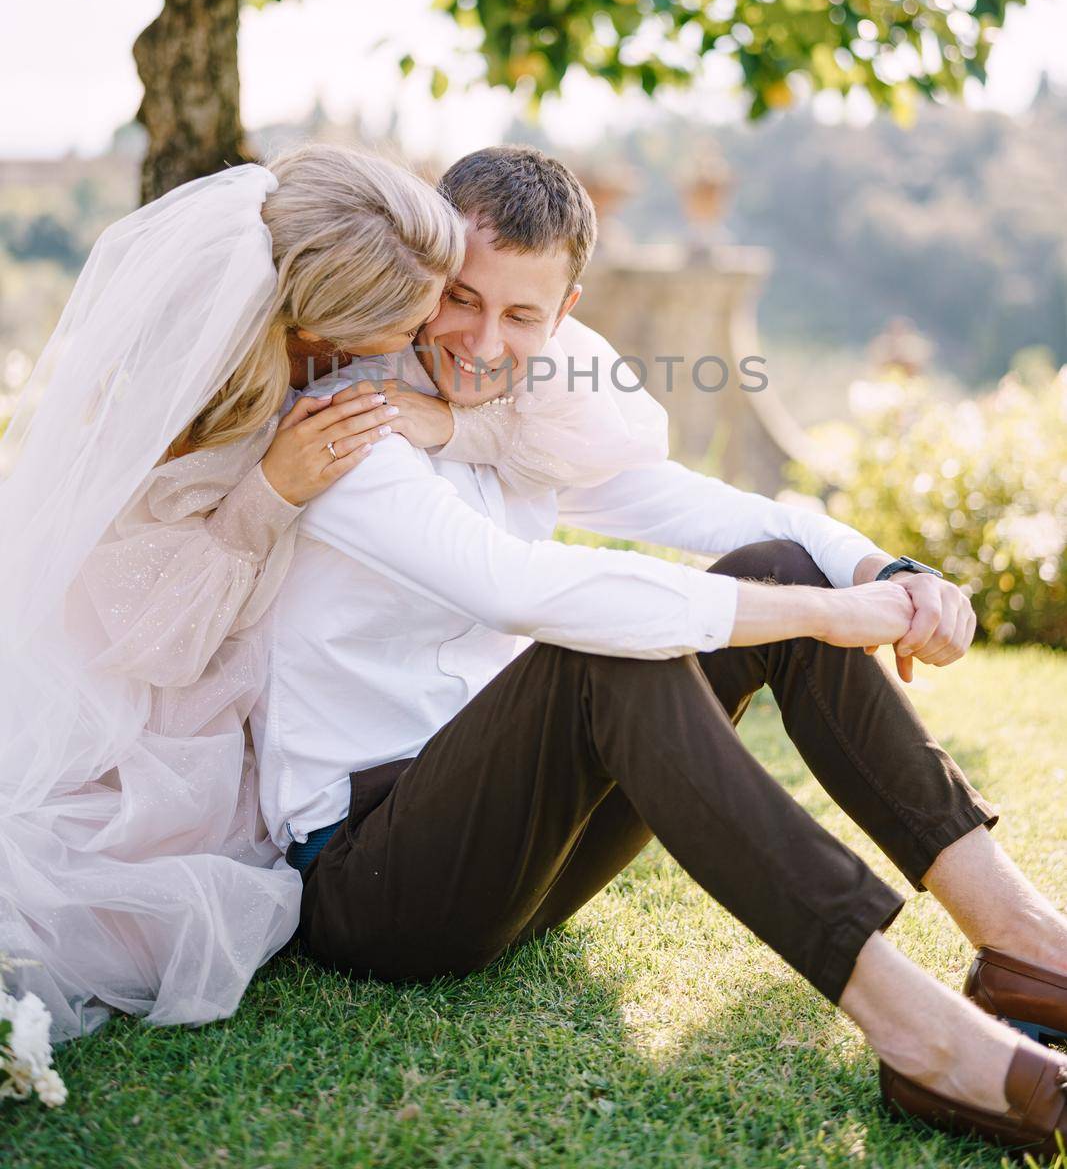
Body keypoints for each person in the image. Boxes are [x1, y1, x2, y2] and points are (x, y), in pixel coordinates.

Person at [253, 145, 1067, 1159]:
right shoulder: (350, 424)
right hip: (372, 876)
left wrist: (874, 572)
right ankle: (914, 1030)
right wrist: (812, 619)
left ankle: (1023, 941)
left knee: (777, 560)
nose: (478, 341)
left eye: (520, 316)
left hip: (516, 862)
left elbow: (715, 508)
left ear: (564, 311)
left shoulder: (514, 417)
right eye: (458, 298)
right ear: (422, 274)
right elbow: (516, 589)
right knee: (609, 642)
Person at [0, 144, 465, 1040]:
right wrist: (267, 496)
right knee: (117, 919)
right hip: (142, 731)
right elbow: (151, 643)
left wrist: (440, 414)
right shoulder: (169, 408)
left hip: (253, 713)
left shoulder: (333, 362)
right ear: (313, 333)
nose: (423, 345)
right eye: (401, 330)